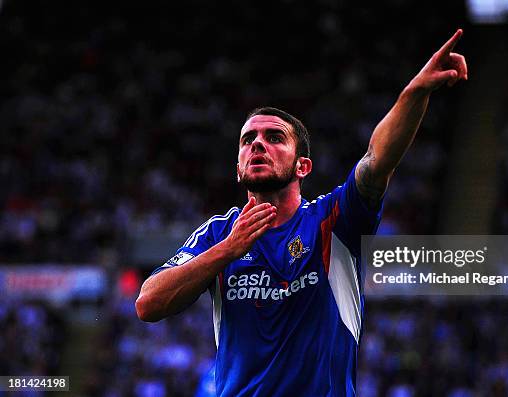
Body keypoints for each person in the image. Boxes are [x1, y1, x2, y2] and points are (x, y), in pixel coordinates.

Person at [136, 29, 468, 396]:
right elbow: (148, 303)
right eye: (249, 140)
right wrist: (229, 250)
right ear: (238, 167)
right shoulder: (218, 233)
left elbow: (376, 161)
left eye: (275, 138)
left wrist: (415, 92)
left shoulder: (334, 220)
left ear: (302, 167)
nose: (258, 144)